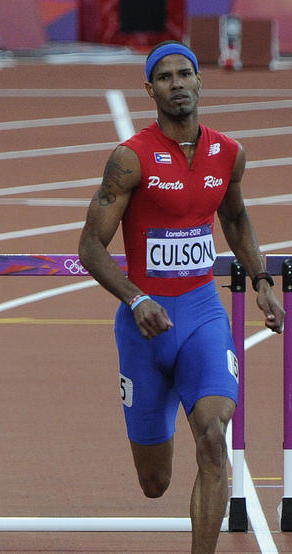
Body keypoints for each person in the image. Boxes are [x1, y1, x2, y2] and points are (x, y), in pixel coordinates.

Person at [78, 41, 284, 553]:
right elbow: (89, 247)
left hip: (201, 316)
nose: (177, 84)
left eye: (184, 74)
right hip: (144, 329)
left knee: (214, 438)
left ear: (199, 81)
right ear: (150, 90)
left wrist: (261, 282)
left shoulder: (228, 152)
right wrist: (135, 298)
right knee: (155, 484)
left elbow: (234, 218)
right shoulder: (130, 159)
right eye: (165, 77)